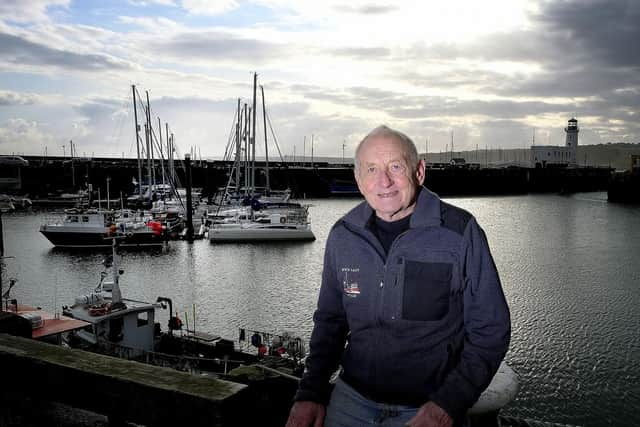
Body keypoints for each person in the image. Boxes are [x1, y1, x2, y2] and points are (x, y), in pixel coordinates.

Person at [286, 125, 511, 427]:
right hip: (351, 400)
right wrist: (310, 393)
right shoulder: (344, 235)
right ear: (358, 179)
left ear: (419, 172)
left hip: (427, 409)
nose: (384, 181)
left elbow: (491, 330)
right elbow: (330, 321)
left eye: (395, 166)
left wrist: (446, 405)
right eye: (371, 169)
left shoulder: (460, 234)